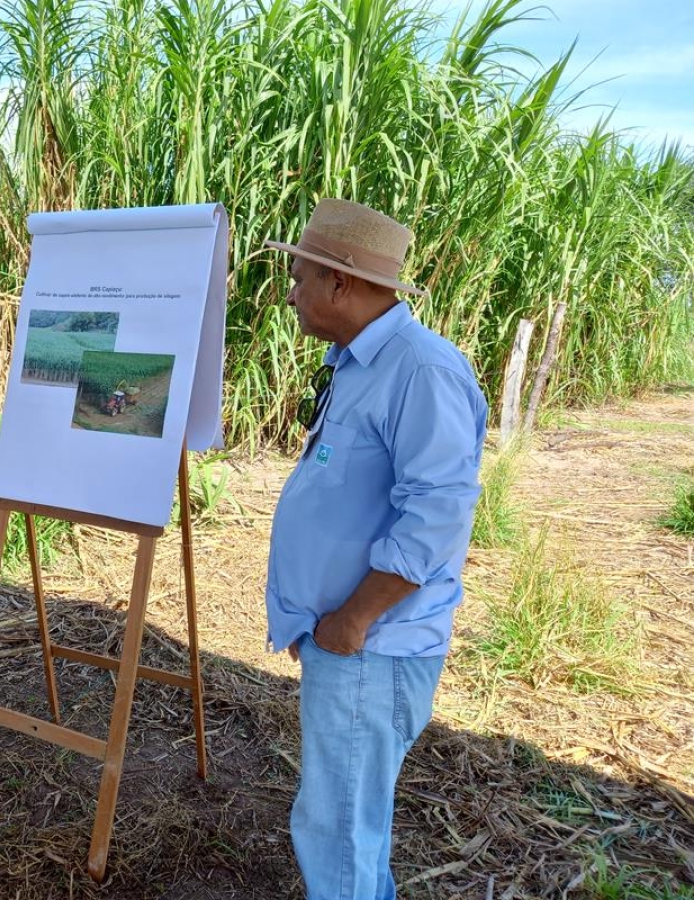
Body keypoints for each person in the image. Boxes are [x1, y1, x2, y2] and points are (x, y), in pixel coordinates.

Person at [264, 198, 487, 899]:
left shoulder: (421, 371)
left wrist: (353, 619)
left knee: (337, 828)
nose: (292, 294)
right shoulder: (359, 363)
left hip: (373, 646)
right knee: (349, 823)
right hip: (350, 641)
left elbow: (437, 515)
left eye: (300, 278)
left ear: (339, 282)